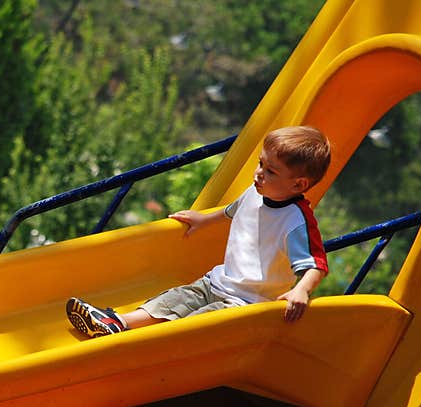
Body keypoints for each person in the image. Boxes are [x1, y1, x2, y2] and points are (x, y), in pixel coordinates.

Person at [66, 125, 331, 338]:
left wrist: (302, 290)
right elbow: (233, 210)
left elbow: (315, 265)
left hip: (246, 304)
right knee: (174, 300)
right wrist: (203, 219)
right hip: (217, 281)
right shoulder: (256, 191)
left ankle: (150, 345)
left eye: (270, 171)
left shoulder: (296, 222)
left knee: (193, 326)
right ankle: (117, 322)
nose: (259, 173)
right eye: (261, 163)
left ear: (298, 184)